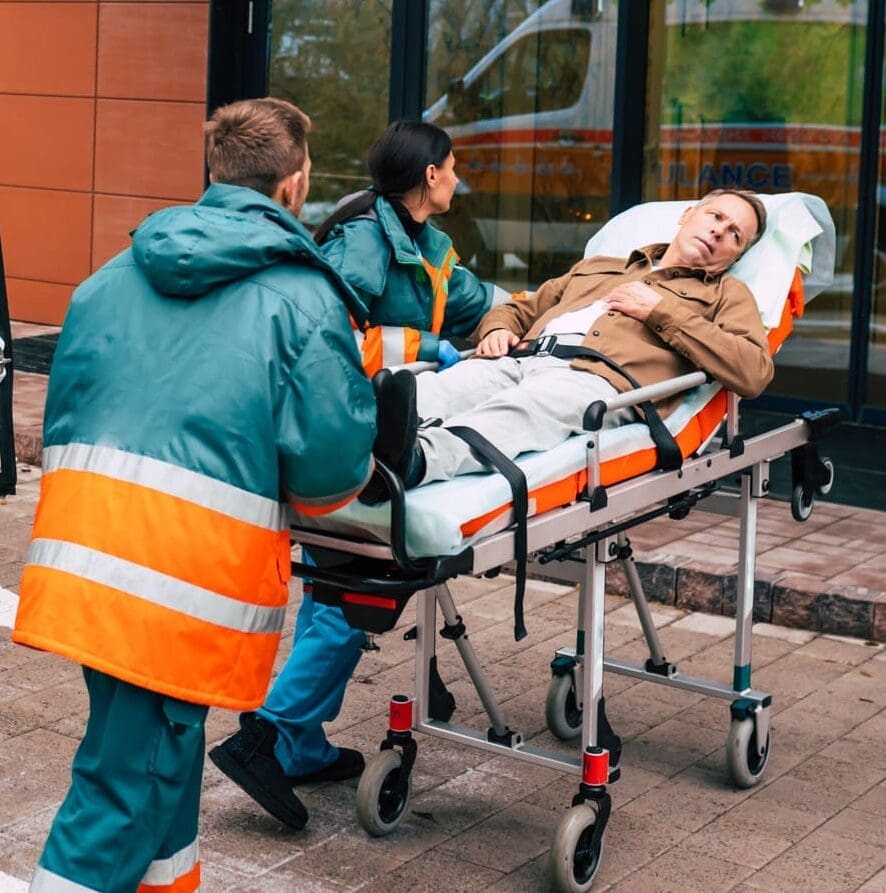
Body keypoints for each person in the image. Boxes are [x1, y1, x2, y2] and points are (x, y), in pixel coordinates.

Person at [12, 98, 376, 893]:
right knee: (124, 792)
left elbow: (66, 413)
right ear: (294, 183)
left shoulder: (111, 277)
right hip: (181, 586)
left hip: (90, 563)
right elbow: (329, 476)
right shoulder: (302, 296)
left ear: (216, 172)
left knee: (159, 774)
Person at [210, 119, 509, 828]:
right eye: (452, 166)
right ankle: (267, 736)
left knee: (333, 595)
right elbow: (332, 336)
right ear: (429, 176)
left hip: (377, 430)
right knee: (353, 595)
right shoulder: (363, 242)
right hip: (337, 435)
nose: (459, 177)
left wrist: (512, 318)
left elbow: (480, 299)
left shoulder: (426, 247)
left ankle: (298, 744)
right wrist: (430, 347)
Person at [367, 188, 774, 494]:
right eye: (715, 216)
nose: (719, 231)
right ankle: (352, 439)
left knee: (521, 410)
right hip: (518, 359)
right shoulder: (599, 266)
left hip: (594, 381)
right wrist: (496, 329)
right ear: (688, 215)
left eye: (735, 235)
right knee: (432, 389)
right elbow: (521, 308)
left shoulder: (728, 295)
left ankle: (412, 462)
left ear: (736, 256)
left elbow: (753, 371)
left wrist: (660, 311)